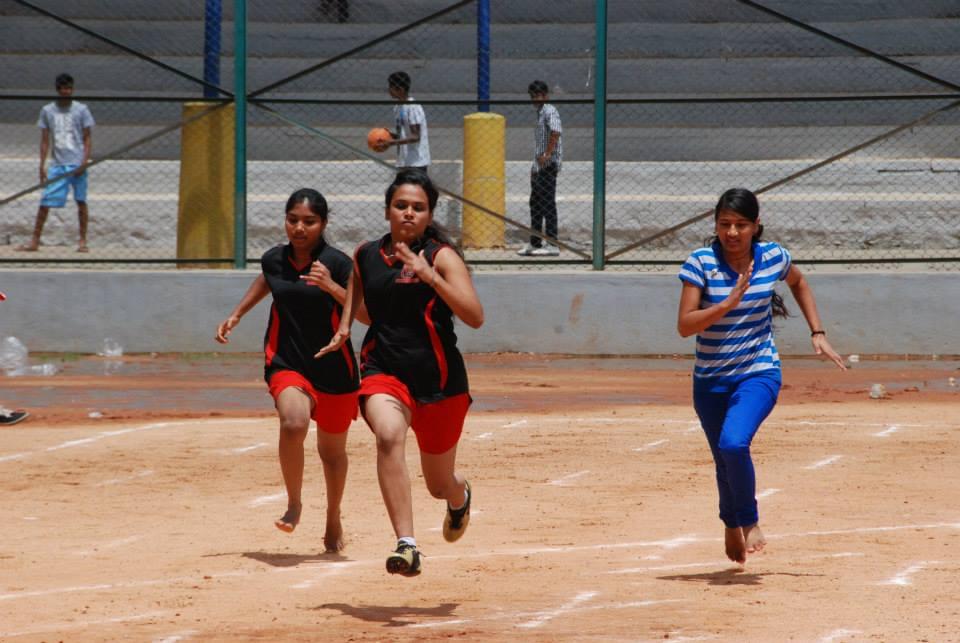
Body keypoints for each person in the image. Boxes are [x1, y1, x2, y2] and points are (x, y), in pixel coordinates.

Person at [318, 170, 483, 576]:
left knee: (438, 484)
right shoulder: (365, 255)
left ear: (429, 215)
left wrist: (430, 277)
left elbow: (474, 316)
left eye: (418, 207)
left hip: (439, 382)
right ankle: (407, 545)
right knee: (389, 435)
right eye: (401, 205)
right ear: (388, 210)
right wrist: (342, 323)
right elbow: (364, 308)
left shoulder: (442, 257)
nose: (409, 212)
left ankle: (458, 497)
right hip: (384, 370)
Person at [676, 187, 846, 565]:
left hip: (758, 371)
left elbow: (798, 282)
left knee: (734, 443)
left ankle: (749, 521)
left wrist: (818, 332)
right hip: (710, 380)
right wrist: (726, 304)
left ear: (756, 225)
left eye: (741, 225)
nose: (732, 232)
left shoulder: (772, 257)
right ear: (715, 225)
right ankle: (730, 523)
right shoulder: (701, 263)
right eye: (725, 224)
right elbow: (685, 326)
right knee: (724, 457)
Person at [216, 188, 360, 552]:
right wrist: (237, 314)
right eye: (292, 220)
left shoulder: (339, 263)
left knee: (332, 453)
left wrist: (330, 285)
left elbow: (365, 313)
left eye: (309, 221)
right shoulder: (274, 259)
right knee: (293, 423)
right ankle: (294, 503)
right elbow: (268, 280)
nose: (299, 228)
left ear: (323, 223)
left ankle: (333, 517)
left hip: (335, 368)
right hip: (287, 361)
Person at [19, 73, 94, 253]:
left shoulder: (81, 109)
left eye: (69, 88)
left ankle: (82, 240)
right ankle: (35, 240)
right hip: (58, 164)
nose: (66, 91)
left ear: (73, 89)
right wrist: (42, 164)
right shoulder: (48, 110)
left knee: (81, 201)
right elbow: (45, 140)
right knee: (45, 201)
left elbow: (87, 138)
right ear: (58, 89)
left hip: (77, 162)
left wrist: (84, 161)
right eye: (63, 88)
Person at [517, 79, 562, 257]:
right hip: (540, 166)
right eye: (533, 96)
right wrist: (535, 167)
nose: (535, 99)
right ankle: (535, 242)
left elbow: (556, 132)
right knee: (535, 203)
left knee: (547, 203)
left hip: (548, 166)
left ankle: (552, 244)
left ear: (545, 95)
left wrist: (547, 155)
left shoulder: (550, 110)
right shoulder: (540, 112)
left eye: (538, 95)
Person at [374, 71, 430, 173]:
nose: (389, 90)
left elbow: (415, 137)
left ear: (400, 89)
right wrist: (389, 135)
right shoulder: (398, 107)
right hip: (404, 162)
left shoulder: (412, 107)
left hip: (416, 163)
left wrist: (391, 143)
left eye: (391, 87)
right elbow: (405, 135)